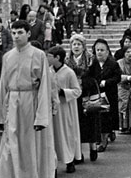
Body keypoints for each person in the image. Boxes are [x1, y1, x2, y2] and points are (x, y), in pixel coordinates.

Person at [0, 20, 55, 178]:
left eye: (20, 32)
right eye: (13, 33)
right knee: (11, 141)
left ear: (28, 34)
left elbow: (44, 86)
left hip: (30, 101)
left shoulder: (38, 55)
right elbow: (3, 87)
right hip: (12, 102)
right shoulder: (7, 56)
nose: (16, 36)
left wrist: (41, 117)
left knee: (29, 143)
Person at [64, 34, 99, 162]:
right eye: (74, 44)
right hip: (74, 97)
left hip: (88, 95)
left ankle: (93, 147)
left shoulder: (91, 59)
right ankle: (78, 153)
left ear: (83, 46)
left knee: (91, 123)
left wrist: (83, 82)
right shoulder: (67, 60)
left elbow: (97, 77)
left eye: (79, 44)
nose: (76, 47)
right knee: (75, 124)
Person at [47, 46, 82, 174]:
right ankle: (53, 165)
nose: (47, 58)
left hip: (65, 108)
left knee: (66, 134)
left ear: (57, 58)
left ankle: (69, 160)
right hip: (51, 108)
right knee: (53, 137)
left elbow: (77, 90)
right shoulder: (48, 71)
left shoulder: (69, 72)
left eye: (50, 56)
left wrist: (63, 92)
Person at [88, 39, 121, 153]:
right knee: (99, 116)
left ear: (107, 52)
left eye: (102, 50)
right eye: (97, 50)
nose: (99, 52)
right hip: (97, 94)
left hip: (109, 94)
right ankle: (102, 136)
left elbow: (118, 78)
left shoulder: (113, 64)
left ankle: (104, 140)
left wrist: (106, 82)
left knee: (107, 117)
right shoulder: (93, 64)